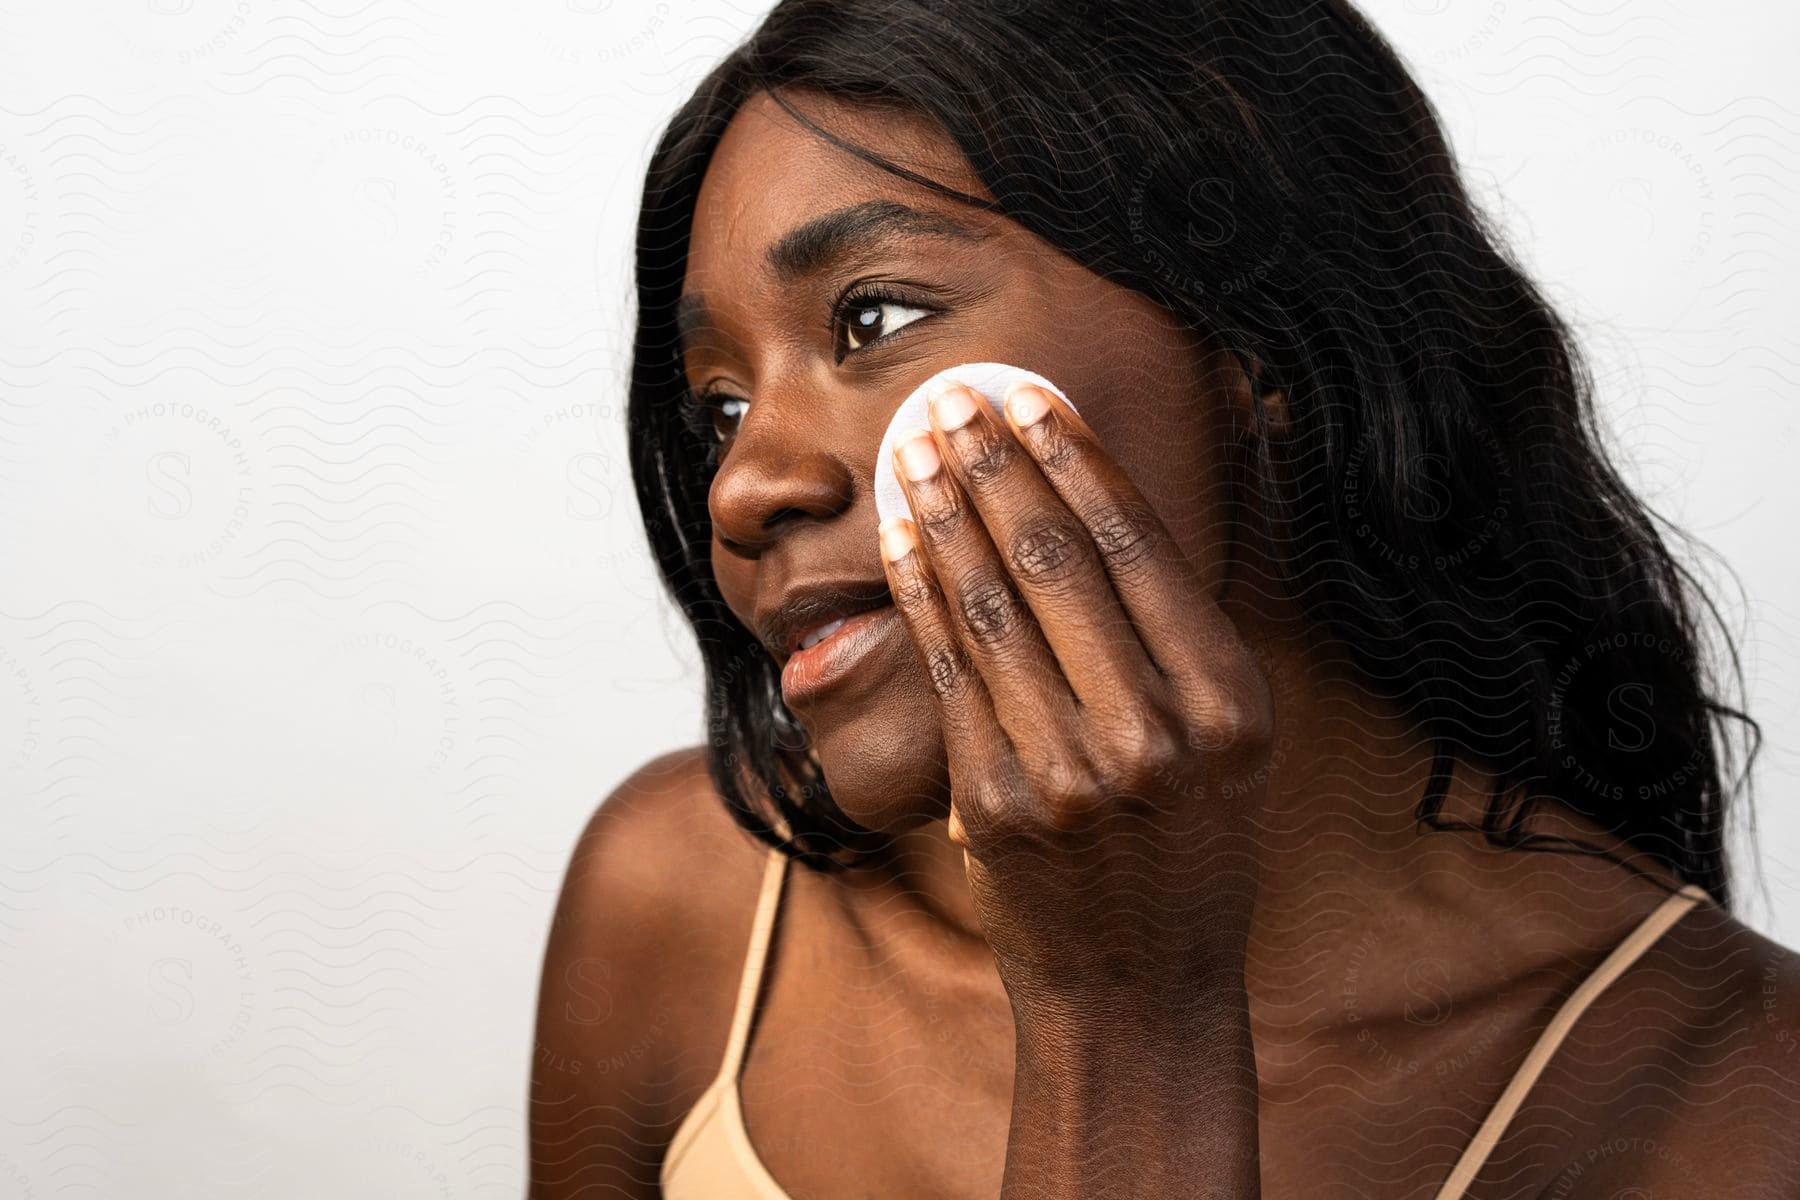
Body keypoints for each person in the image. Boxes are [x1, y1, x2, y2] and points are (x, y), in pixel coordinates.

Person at [529, 2, 1800, 1195]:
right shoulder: (683, 904)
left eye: (876, 316)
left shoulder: (1742, 1099)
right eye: (722, 408)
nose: (746, 485)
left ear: (1264, 340)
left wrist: (1128, 1022)